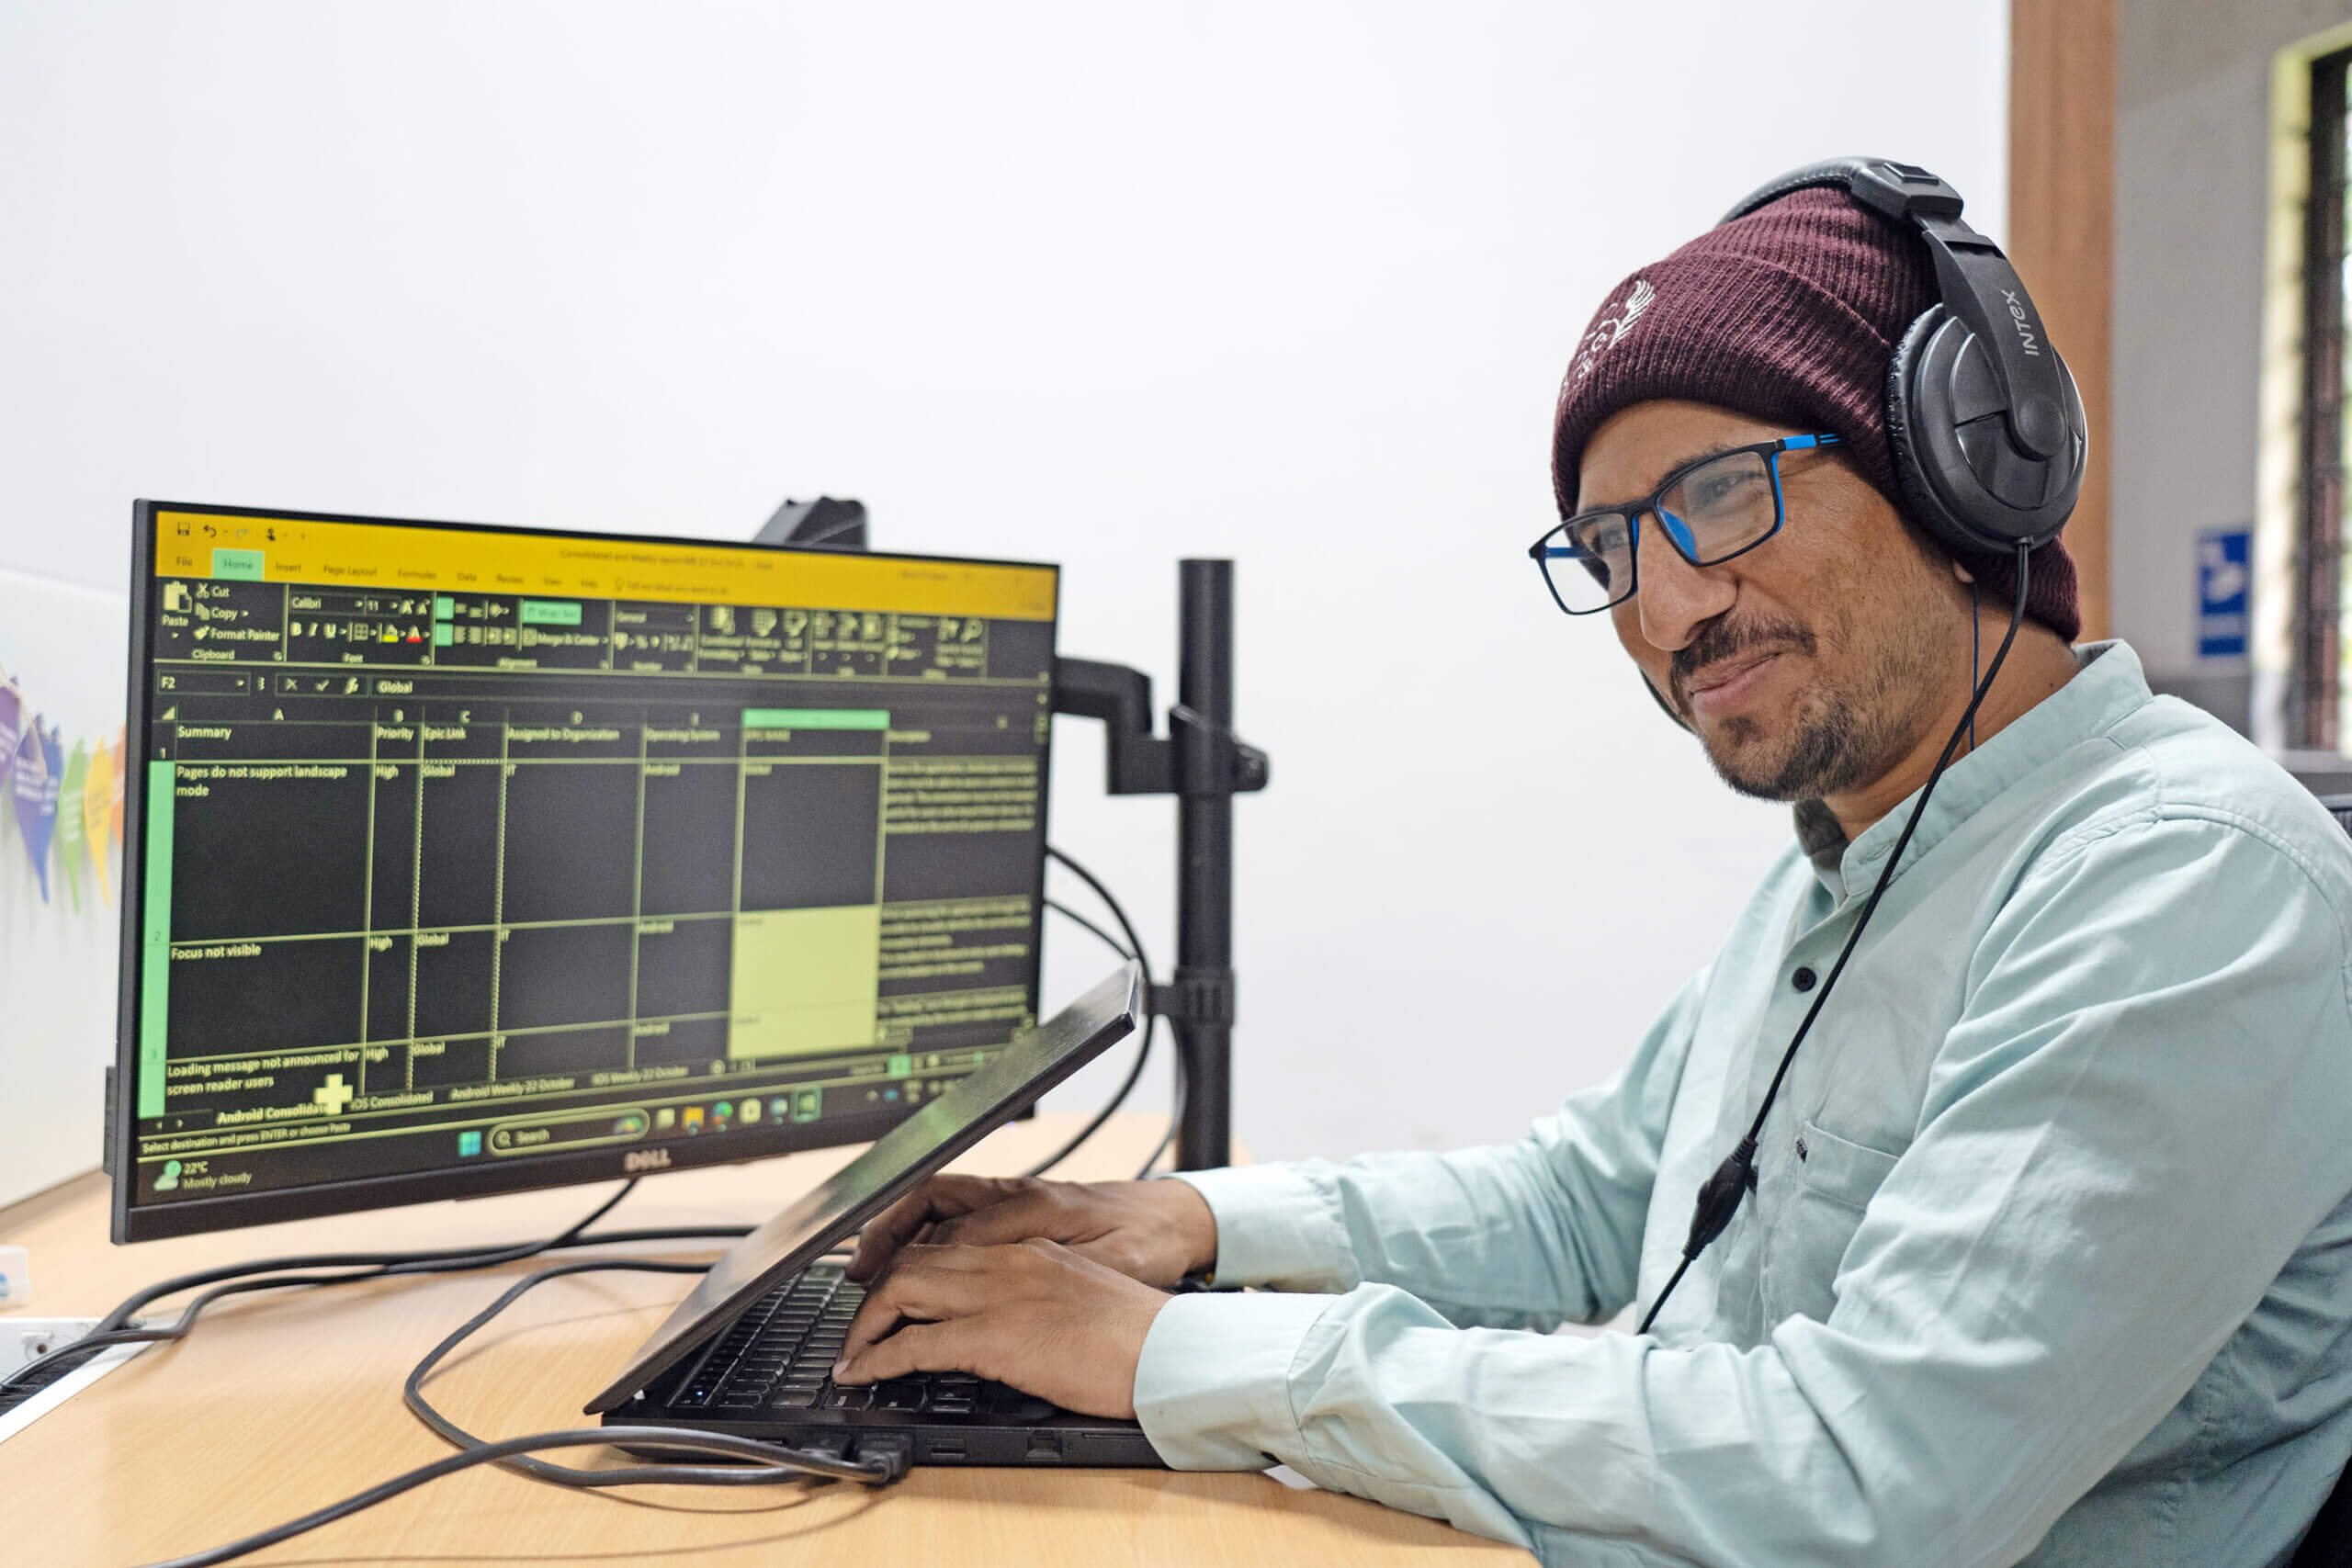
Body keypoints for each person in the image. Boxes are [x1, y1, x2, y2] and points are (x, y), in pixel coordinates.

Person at [831, 172, 2352, 1566]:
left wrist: (1171, 1359)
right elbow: (1589, 1201)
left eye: (1718, 496)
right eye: (1611, 545)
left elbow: (1871, 1481)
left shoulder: (2181, 885)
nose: (1667, 605)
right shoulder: (1852, 864)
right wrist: (1197, 1228)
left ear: (1957, 470)